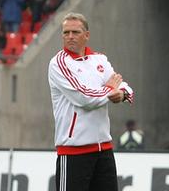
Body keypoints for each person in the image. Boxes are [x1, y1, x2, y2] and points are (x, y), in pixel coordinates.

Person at [49, 12, 133, 191]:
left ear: (86, 35)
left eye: (75, 32)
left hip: (104, 150)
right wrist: (111, 90)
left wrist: (122, 95)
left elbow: (124, 86)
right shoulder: (58, 64)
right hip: (73, 152)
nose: (70, 37)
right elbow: (84, 97)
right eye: (66, 32)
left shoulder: (99, 59)